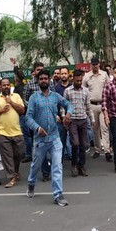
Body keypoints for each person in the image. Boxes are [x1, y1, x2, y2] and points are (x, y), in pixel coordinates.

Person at [25, 69, 73, 206]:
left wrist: (68, 114)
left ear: (49, 80)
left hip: (54, 137)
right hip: (40, 140)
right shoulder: (34, 98)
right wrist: (37, 128)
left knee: (57, 166)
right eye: (41, 79)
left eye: (46, 78)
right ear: (38, 81)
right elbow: (28, 117)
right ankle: (31, 183)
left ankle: (58, 195)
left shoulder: (55, 96)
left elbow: (68, 104)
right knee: (36, 165)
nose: (44, 81)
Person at [0, 78, 25, 188]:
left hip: (17, 131)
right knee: (7, 156)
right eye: (4, 85)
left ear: (10, 86)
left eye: (8, 85)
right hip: (2, 132)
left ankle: (15, 171)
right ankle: (12, 178)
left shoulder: (16, 96)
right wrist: (1, 110)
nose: (6, 87)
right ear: (0, 86)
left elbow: (22, 111)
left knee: (19, 154)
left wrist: (11, 102)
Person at [64, 69, 93, 177]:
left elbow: (88, 107)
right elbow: (64, 106)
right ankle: (74, 165)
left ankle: (82, 166)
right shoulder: (67, 91)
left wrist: (92, 119)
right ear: (73, 79)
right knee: (75, 143)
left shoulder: (85, 90)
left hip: (83, 120)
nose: (79, 83)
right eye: (77, 81)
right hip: (73, 121)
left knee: (84, 144)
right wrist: (64, 118)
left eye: (80, 81)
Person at [82, 56, 111, 161]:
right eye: (93, 64)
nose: (95, 66)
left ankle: (107, 150)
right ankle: (98, 149)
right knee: (95, 129)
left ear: (99, 64)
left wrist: (109, 104)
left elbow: (109, 88)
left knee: (104, 127)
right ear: (91, 65)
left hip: (103, 104)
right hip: (92, 105)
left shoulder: (104, 74)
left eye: (96, 64)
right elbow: (83, 91)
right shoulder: (87, 76)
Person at [22, 61, 45, 164]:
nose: (40, 72)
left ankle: (46, 163)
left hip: (47, 116)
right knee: (36, 140)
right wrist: (33, 107)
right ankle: (37, 161)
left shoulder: (49, 82)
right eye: (38, 70)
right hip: (34, 117)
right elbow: (24, 99)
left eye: (42, 69)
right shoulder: (29, 84)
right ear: (34, 71)